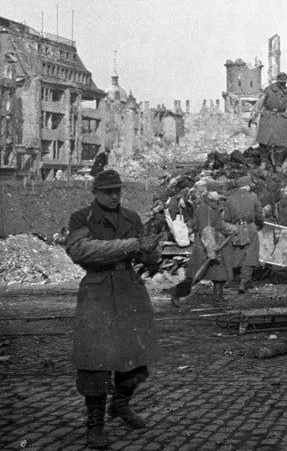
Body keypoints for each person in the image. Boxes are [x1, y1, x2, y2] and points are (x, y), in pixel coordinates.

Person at [65, 169, 162, 450]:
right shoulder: (82, 218)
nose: (114, 196)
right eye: (108, 191)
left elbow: (147, 257)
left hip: (130, 290)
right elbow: (81, 251)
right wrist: (132, 245)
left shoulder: (132, 218)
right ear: (95, 192)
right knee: (95, 362)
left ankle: (120, 405)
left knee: (134, 357)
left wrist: (152, 251)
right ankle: (95, 425)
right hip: (97, 292)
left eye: (117, 191)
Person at [221, 176, 265, 294]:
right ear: (246, 186)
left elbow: (226, 217)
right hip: (250, 227)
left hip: (236, 228)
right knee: (250, 254)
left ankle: (231, 280)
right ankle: (244, 281)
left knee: (236, 253)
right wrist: (260, 225)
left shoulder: (230, 199)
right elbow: (259, 214)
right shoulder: (253, 197)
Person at [249, 72, 287, 172]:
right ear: (277, 81)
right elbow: (259, 103)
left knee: (281, 143)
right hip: (268, 116)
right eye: (281, 82)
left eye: (284, 82)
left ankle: (278, 164)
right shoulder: (269, 90)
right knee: (264, 141)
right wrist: (253, 116)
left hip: (281, 118)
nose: (283, 84)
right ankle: (264, 161)